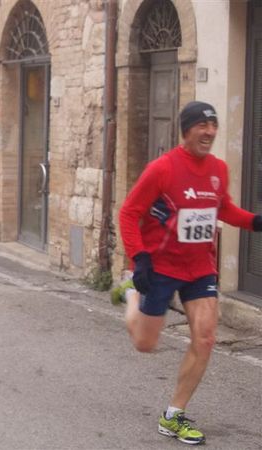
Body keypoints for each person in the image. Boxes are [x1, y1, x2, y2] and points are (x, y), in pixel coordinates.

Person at [115, 101, 262, 445]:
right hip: (161, 267)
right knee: (144, 343)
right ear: (186, 130)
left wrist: (254, 221)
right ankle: (130, 294)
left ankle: (173, 415)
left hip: (199, 268)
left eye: (213, 126)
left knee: (206, 337)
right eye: (202, 125)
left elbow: (222, 208)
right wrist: (140, 260)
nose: (209, 132)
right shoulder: (161, 169)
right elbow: (129, 213)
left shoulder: (218, 169)